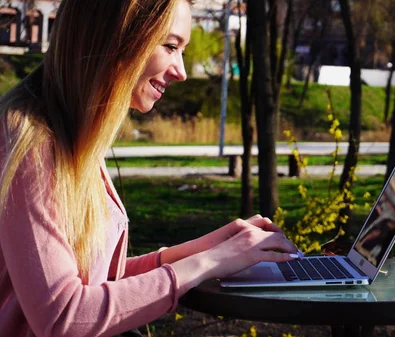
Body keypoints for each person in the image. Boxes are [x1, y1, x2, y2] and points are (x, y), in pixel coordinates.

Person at [0, 1, 299, 336]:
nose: (181, 71)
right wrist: (210, 263)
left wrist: (212, 248)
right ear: (118, 37)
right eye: (171, 46)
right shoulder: (31, 143)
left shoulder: (75, 133)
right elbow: (63, 317)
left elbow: (100, 283)